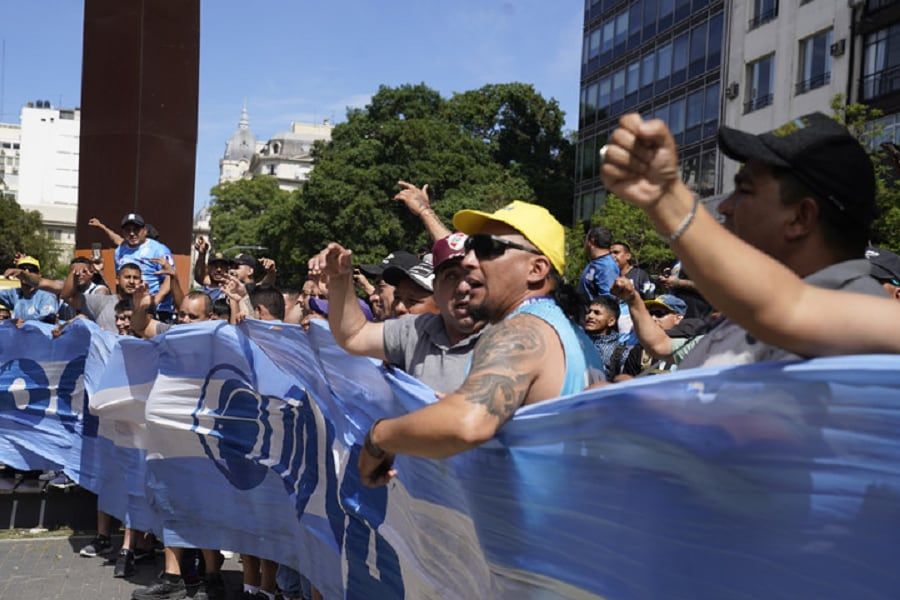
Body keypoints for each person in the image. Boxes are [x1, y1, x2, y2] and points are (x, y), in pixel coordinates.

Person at [599, 112, 900, 358]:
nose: (727, 207)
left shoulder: (862, 321)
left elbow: (788, 310)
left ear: (801, 217)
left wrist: (668, 199)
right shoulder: (747, 314)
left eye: (745, 190)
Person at [355, 201, 604, 486]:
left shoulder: (522, 329)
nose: (469, 260)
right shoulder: (569, 332)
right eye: (471, 246)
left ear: (536, 269)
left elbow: (466, 425)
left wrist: (379, 437)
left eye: (487, 249)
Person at [129, 286, 225, 600]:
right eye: (181, 314)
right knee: (171, 502)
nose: (183, 320)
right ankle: (173, 579)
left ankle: (211, 577)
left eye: (192, 316)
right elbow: (141, 326)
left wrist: (240, 302)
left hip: (205, 440)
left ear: (210, 318)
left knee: (205, 507)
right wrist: (141, 305)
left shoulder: (222, 342)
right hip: (169, 439)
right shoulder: (173, 334)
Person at [310, 232, 486, 393]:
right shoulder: (415, 330)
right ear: (437, 288)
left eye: (473, 276)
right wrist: (340, 277)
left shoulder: (508, 334)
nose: (463, 287)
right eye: (451, 276)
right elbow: (353, 335)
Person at [106, 213, 176, 319]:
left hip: (157, 310)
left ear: (144, 231)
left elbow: (169, 278)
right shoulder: (119, 251)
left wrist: (155, 301)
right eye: (128, 230)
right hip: (129, 310)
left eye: (136, 229)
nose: (132, 233)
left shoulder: (159, 250)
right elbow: (119, 280)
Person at [582, 296, 633, 381]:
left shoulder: (619, 349)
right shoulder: (577, 340)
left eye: (597, 313)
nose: (590, 316)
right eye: (588, 312)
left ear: (611, 321)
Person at [0, 256, 59, 322]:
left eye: (32, 269)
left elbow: (48, 322)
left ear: (39, 275)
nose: (26, 272)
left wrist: (25, 325)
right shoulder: (16, 293)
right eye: (22, 269)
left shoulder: (46, 296)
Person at [578, 226, 619, 302]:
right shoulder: (594, 263)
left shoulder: (607, 266)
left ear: (592, 241)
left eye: (586, 239)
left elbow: (608, 300)